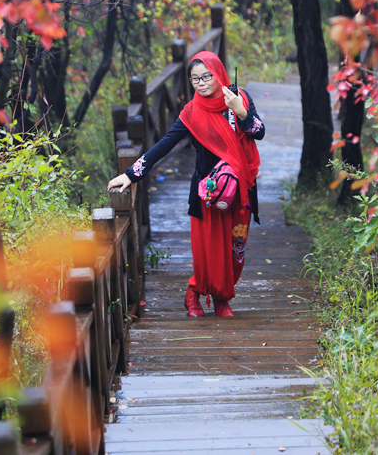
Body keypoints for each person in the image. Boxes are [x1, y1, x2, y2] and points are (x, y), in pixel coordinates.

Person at [107, 51, 265, 318]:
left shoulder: (240, 98)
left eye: (207, 76)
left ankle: (221, 296)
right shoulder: (192, 113)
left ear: (219, 73)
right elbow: (164, 144)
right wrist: (132, 173)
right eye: (195, 79)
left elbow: (259, 132)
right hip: (209, 193)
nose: (202, 83)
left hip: (240, 192)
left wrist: (241, 112)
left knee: (234, 251)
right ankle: (198, 294)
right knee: (209, 253)